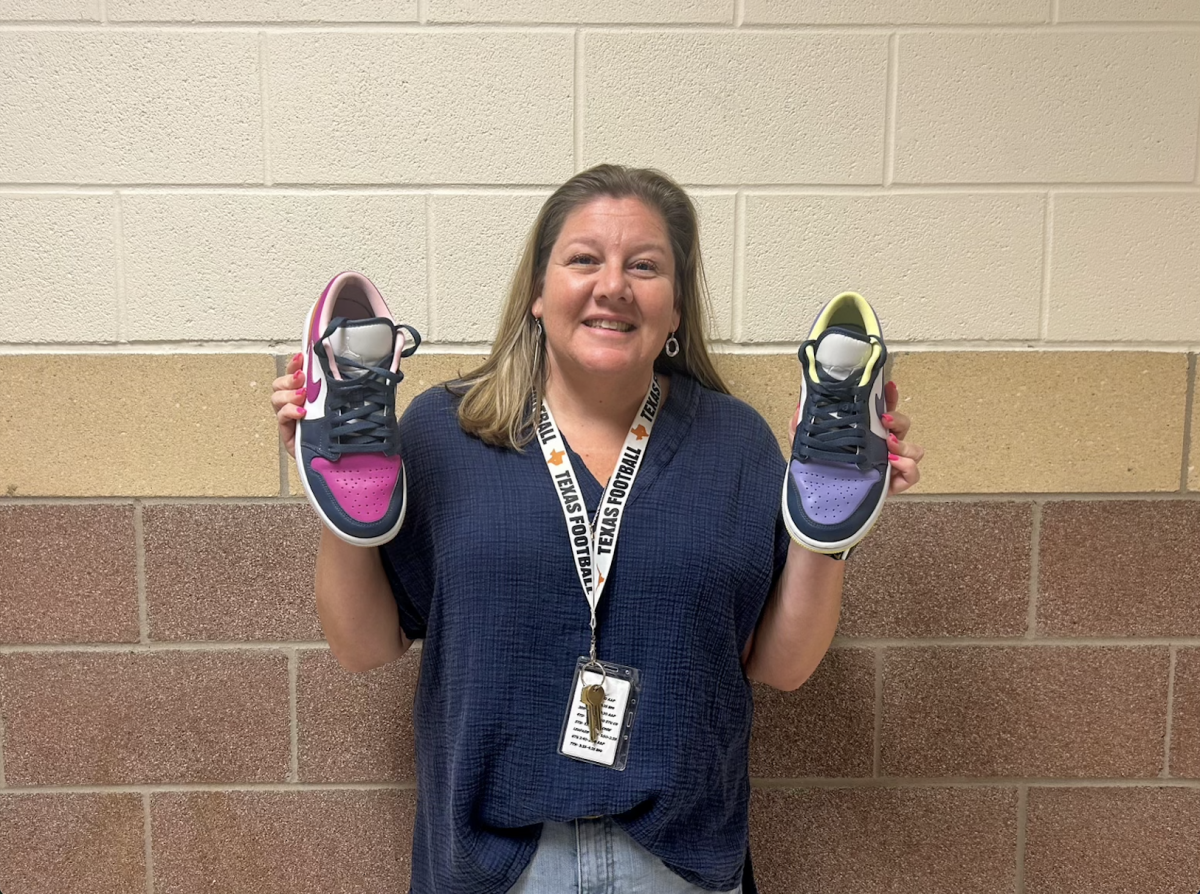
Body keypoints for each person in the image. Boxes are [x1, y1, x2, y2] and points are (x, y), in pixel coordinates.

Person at [271, 164, 923, 894]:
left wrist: (824, 534)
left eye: (644, 266)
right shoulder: (439, 435)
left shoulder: (735, 445)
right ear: (537, 295)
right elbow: (362, 649)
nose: (612, 285)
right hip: (493, 868)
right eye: (584, 259)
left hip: (677, 863)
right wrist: (331, 480)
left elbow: (783, 665)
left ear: (675, 309)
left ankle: (829, 481)